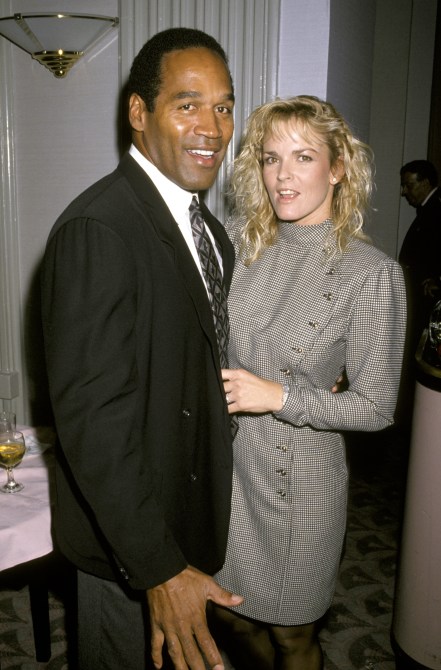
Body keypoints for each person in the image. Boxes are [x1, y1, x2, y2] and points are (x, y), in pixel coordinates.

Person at [41, 27, 243, 670]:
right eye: (188, 104)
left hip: (189, 519)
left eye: (224, 106)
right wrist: (159, 567)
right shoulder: (99, 228)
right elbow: (95, 423)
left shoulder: (210, 233)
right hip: (130, 550)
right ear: (139, 112)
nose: (212, 127)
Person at [210, 96, 407, 669]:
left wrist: (279, 396)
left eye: (303, 157)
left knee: (292, 633)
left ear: (338, 167)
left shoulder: (371, 274)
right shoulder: (234, 243)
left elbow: (376, 408)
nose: (283, 176)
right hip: (229, 469)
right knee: (230, 612)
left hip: (300, 481)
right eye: (271, 158)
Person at [399, 159, 441, 353]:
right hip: (419, 298)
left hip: (429, 301)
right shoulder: (428, 209)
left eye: (409, 185)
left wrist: (439, 280)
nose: (404, 191)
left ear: (425, 183)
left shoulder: (436, 209)